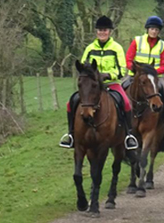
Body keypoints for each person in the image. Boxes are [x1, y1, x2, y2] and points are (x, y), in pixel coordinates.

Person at [59, 16, 139, 150]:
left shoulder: (116, 48)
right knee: (70, 103)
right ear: (96, 32)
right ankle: (71, 135)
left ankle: (128, 136)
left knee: (126, 103)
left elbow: (122, 69)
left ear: (110, 32)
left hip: (111, 84)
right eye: (100, 30)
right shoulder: (90, 48)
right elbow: (84, 67)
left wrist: (107, 75)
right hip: (92, 87)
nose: (102, 33)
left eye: (105, 30)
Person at [124, 16, 164, 133]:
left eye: (157, 29)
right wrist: (135, 70)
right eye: (152, 29)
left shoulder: (162, 45)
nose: (154, 31)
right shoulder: (137, 41)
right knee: (122, 89)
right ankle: (121, 119)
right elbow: (128, 59)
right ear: (147, 29)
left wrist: (153, 73)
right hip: (136, 75)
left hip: (154, 77)